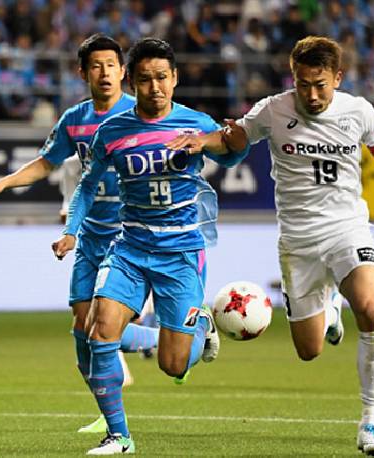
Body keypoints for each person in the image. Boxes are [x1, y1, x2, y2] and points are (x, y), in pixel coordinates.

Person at [165, 36, 374, 456]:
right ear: (292, 78)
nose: (312, 94)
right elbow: (235, 139)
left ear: (338, 77)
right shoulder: (273, 110)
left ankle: (370, 423)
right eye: (303, 84)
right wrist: (204, 141)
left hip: (348, 229)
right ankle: (331, 306)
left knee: (371, 309)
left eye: (320, 84)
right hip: (298, 242)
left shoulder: (359, 111)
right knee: (309, 350)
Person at [51, 37, 249, 455]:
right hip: (130, 247)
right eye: (145, 80)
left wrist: (215, 141)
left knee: (173, 364)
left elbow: (233, 156)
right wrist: (72, 228)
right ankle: (119, 436)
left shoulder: (195, 122)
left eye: (162, 78)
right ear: (133, 82)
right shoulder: (114, 130)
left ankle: (201, 327)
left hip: (179, 253)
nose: (154, 87)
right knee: (98, 330)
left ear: (175, 79)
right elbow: (88, 183)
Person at [0, 33, 159, 435]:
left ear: (124, 72)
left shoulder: (140, 113)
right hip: (91, 234)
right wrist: (3, 184)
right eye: (96, 65)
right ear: (82, 72)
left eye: (111, 65)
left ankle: (168, 339)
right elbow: (45, 163)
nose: (104, 72)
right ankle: (110, 406)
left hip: (130, 233)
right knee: (81, 329)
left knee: (99, 328)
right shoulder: (75, 120)